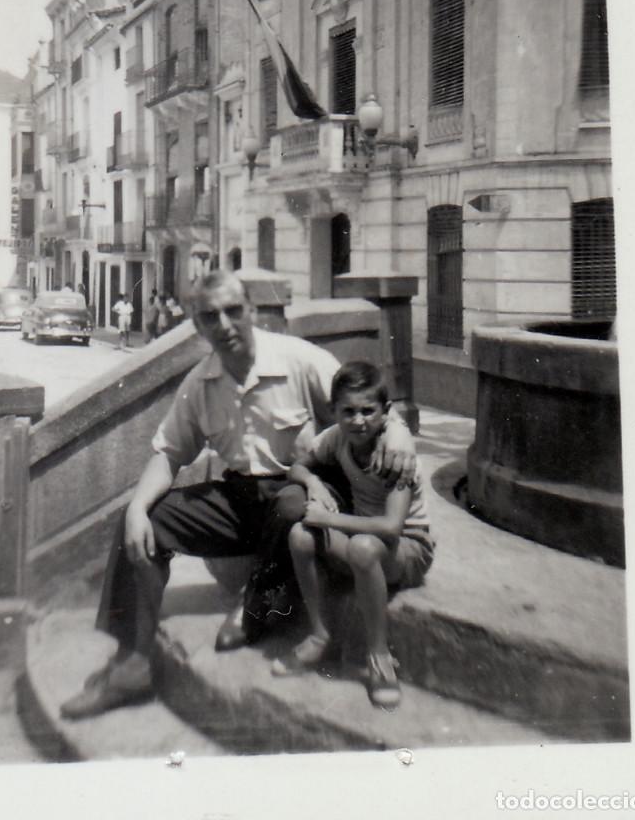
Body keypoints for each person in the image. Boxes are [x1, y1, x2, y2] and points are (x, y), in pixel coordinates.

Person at [59, 270, 417, 720]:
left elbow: (367, 402)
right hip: (242, 498)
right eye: (211, 316)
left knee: (291, 505)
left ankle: (256, 608)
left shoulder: (300, 360)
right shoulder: (200, 384)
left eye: (233, 311)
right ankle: (133, 661)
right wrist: (135, 508)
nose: (225, 325)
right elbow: (168, 453)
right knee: (148, 521)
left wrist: (399, 435)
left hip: (306, 493)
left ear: (252, 311)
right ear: (196, 325)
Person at [272, 360, 434, 709]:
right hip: (366, 543)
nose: (358, 421)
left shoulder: (396, 457)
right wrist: (313, 482)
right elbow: (297, 466)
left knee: (360, 547)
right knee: (300, 535)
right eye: (348, 411)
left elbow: (392, 527)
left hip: (408, 548)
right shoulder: (337, 439)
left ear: (385, 412)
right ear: (334, 411)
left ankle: (379, 658)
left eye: (367, 411)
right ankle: (319, 634)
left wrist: (331, 520)